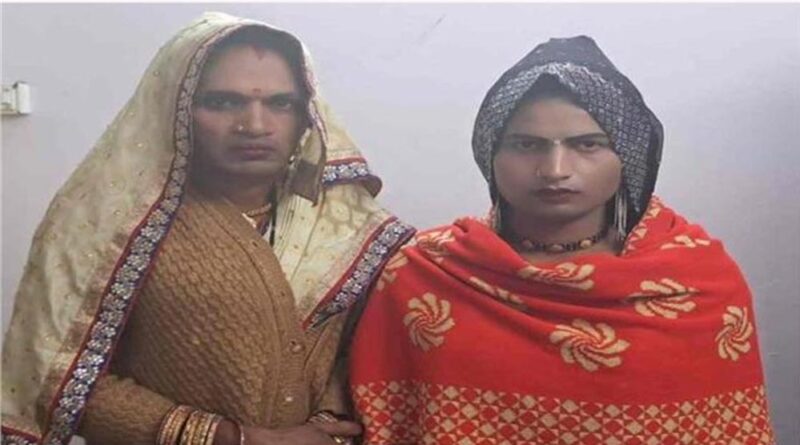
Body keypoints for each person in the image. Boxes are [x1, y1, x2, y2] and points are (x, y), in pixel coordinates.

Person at [1, 12, 413, 445]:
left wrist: (327, 430)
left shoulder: (352, 225)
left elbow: (367, 352)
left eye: (281, 103)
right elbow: (56, 373)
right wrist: (230, 437)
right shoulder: (111, 223)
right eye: (222, 102)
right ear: (176, 111)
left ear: (308, 116)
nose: (254, 126)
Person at [349, 36, 775, 444]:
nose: (554, 169)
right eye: (526, 145)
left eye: (587, 145)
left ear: (628, 157)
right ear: (491, 154)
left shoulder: (699, 283)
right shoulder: (423, 274)